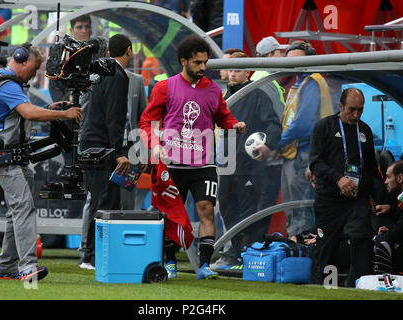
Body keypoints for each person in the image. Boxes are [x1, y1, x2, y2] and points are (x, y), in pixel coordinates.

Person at [138, 35, 246, 280]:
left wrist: (234, 124)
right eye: (197, 63)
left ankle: (205, 265)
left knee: (207, 210)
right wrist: (154, 145)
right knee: (168, 215)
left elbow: (222, 116)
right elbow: (147, 121)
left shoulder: (212, 90)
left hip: (203, 163)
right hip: (172, 164)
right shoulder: (164, 87)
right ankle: (169, 260)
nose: (203, 68)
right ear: (183, 61)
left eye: (205, 62)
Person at [0, 44, 81, 281]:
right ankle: (27, 267)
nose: (35, 74)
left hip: (15, 156)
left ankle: (4, 268)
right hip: (7, 158)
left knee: (18, 212)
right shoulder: (8, 85)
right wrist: (65, 114)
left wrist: (48, 109)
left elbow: (20, 114)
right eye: (34, 69)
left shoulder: (7, 81)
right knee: (23, 209)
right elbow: (29, 114)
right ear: (21, 60)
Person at [212, 51, 282, 270]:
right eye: (230, 69)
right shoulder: (223, 96)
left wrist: (268, 144)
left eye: (238, 70)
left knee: (248, 210)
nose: (233, 74)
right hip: (225, 163)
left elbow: (273, 123)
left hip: (248, 166)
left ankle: (248, 254)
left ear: (247, 71)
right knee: (226, 208)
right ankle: (235, 252)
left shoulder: (257, 95)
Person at [309, 87, 384, 287]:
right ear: (340, 106)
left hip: (356, 199)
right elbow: (315, 162)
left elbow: (370, 168)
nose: (356, 114)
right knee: (327, 247)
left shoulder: (365, 130)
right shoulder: (323, 127)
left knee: (361, 238)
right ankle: (326, 289)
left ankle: (358, 287)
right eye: (352, 109)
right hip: (329, 200)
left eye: (360, 109)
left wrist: (373, 196)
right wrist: (338, 178)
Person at [78, 34, 133, 269]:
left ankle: (93, 254)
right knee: (104, 200)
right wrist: (118, 151)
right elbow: (114, 116)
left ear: (109, 52)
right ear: (129, 51)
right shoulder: (115, 74)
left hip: (92, 142)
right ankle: (91, 256)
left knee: (101, 200)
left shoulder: (102, 70)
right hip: (102, 146)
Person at [272, 40, 333, 238]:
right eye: (289, 60)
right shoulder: (300, 82)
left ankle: (301, 250)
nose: (292, 64)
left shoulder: (312, 81)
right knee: (293, 206)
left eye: (298, 59)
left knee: (299, 207)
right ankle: (297, 246)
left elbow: (303, 122)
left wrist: (278, 144)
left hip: (304, 153)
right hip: (296, 152)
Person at [373, 160, 403, 275]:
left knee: (382, 243)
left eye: (388, 177)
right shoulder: (400, 201)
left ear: (400, 178)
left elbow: (400, 229)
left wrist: (379, 238)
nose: (385, 182)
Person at [120, 69, 148, 210]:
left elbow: (142, 119)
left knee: (127, 201)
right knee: (103, 200)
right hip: (107, 149)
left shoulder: (137, 80)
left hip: (131, 151)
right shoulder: (99, 78)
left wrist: (143, 152)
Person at [48, 15, 92, 102]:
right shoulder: (63, 52)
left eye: (87, 27)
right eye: (79, 27)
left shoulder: (95, 51)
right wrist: (64, 106)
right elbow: (54, 82)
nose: (84, 31)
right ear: (71, 30)